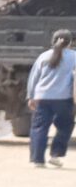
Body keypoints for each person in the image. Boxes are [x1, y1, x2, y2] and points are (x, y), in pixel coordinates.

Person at [28, 29, 74, 168]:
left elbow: (34, 78)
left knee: (39, 128)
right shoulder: (74, 56)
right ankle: (55, 155)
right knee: (65, 126)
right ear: (70, 43)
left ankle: (38, 160)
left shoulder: (43, 56)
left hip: (42, 98)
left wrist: (31, 96)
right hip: (64, 99)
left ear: (53, 41)